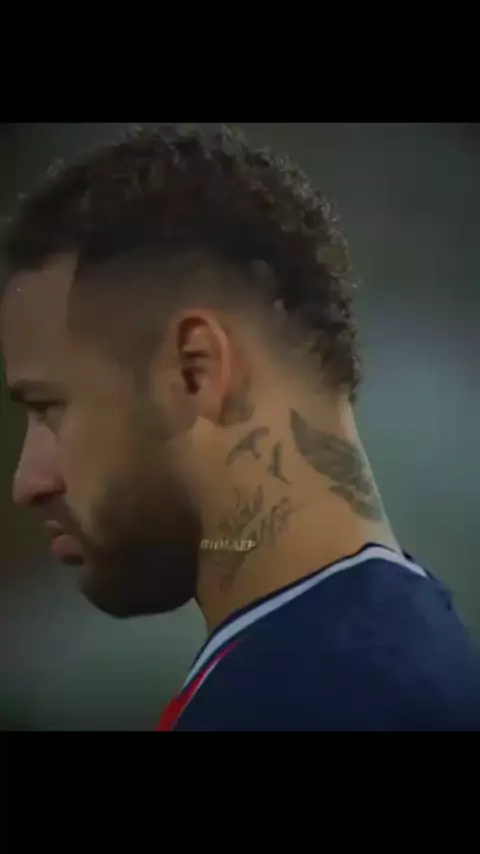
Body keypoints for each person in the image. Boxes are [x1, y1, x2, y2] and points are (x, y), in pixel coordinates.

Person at [1, 124, 479, 731]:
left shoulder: (324, 699)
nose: (28, 482)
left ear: (196, 370)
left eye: (50, 408)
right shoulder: (368, 654)